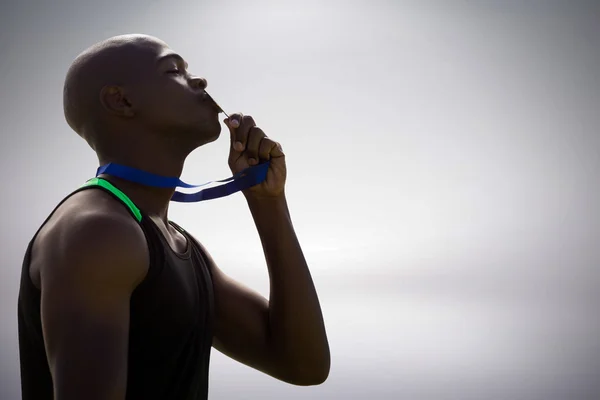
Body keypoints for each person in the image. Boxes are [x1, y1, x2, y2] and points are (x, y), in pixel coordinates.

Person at [17, 34, 330, 400]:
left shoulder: (173, 242)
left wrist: (268, 201)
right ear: (122, 100)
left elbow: (303, 365)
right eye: (174, 70)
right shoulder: (98, 233)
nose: (200, 81)